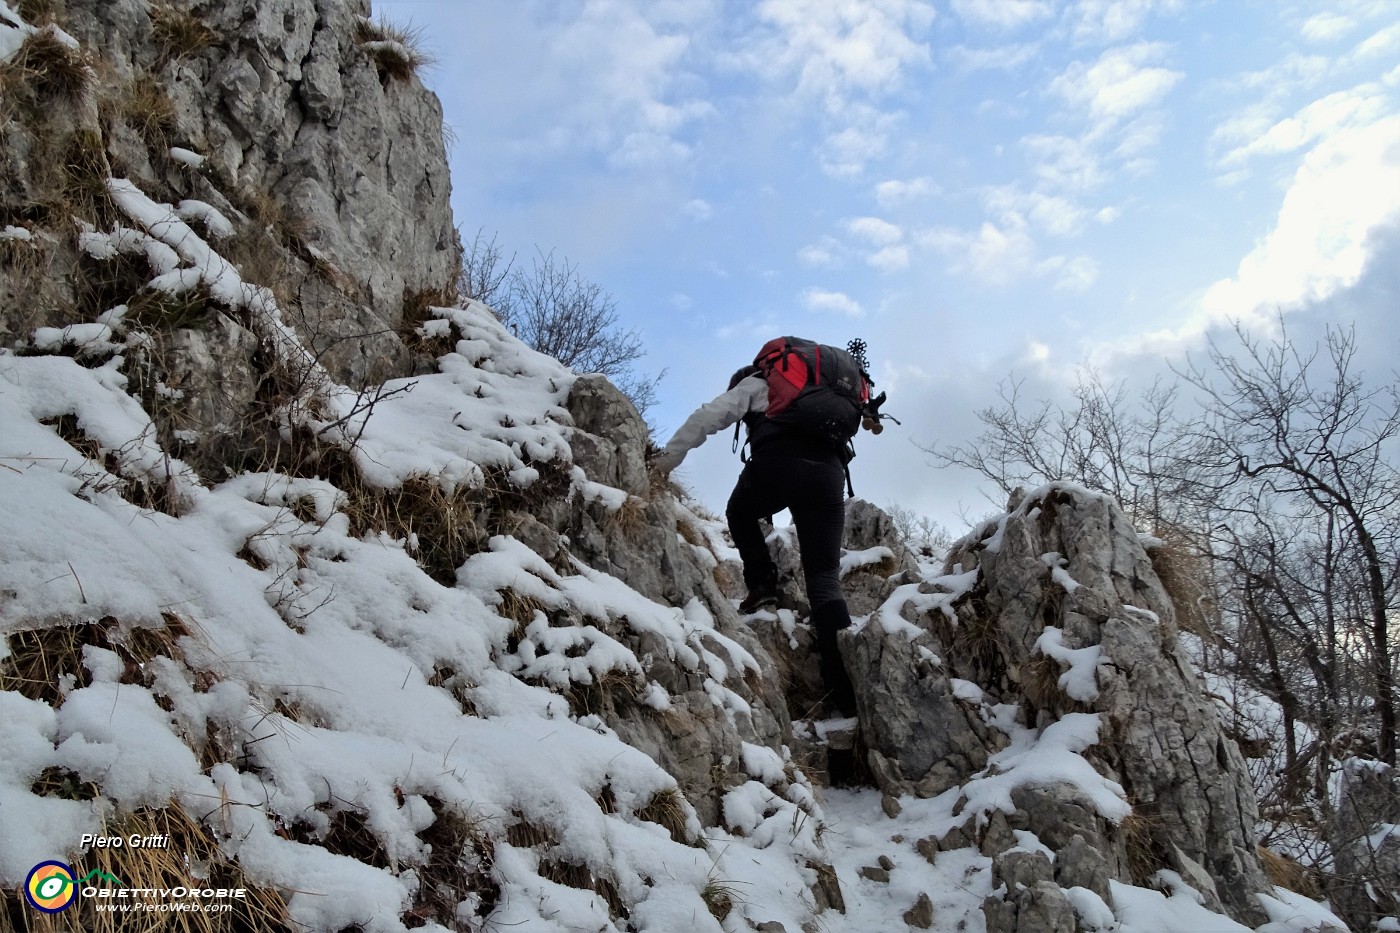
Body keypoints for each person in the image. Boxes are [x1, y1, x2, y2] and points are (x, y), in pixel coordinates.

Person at [655, 362, 858, 716]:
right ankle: (844, 689)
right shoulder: (814, 391)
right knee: (824, 581)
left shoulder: (758, 383)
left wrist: (663, 464)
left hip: (778, 462)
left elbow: (707, 416)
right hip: (829, 473)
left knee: (740, 511)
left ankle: (762, 584)